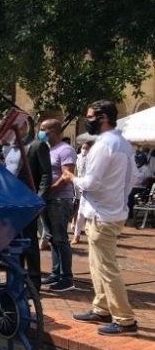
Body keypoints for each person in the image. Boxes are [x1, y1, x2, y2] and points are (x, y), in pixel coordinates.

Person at [62, 100, 138, 336]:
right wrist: (118, 197)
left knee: (106, 267)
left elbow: (90, 183)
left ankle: (125, 319)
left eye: (90, 116)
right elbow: (132, 179)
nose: (88, 120)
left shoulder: (104, 145)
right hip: (111, 211)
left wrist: (71, 178)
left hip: (102, 214)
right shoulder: (122, 144)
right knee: (97, 265)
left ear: (103, 117)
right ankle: (101, 307)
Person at [4, 128, 52, 293]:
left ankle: (33, 283)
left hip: (28, 201)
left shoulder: (37, 145)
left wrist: (39, 199)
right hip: (11, 202)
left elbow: (46, 174)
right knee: (14, 242)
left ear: (23, 127)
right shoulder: (9, 147)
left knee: (29, 243)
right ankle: (16, 280)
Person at [38, 119, 77, 292]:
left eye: (42, 129)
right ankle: (56, 273)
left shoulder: (65, 149)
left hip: (60, 200)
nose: (40, 132)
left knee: (61, 239)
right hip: (48, 199)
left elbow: (67, 175)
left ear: (53, 130)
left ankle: (66, 278)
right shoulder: (48, 149)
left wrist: (49, 191)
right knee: (52, 239)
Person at [72, 141, 94, 244]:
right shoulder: (78, 157)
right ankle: (76, 235)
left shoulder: (93, 159)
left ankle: (91, 233)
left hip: (94, 189)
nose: (84, 150)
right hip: (83, 186)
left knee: (92, 213)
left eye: (86, 148)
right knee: (80, 212)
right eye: (83, 148)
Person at [127, 153, 151, 220]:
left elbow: (147, 179)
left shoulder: (146, 169)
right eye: (136, 160)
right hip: (133, 187)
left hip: (141, 188)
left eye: (138, 160)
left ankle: (130, 216)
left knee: (130, 195)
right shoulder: (134, 168)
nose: (137, 161)